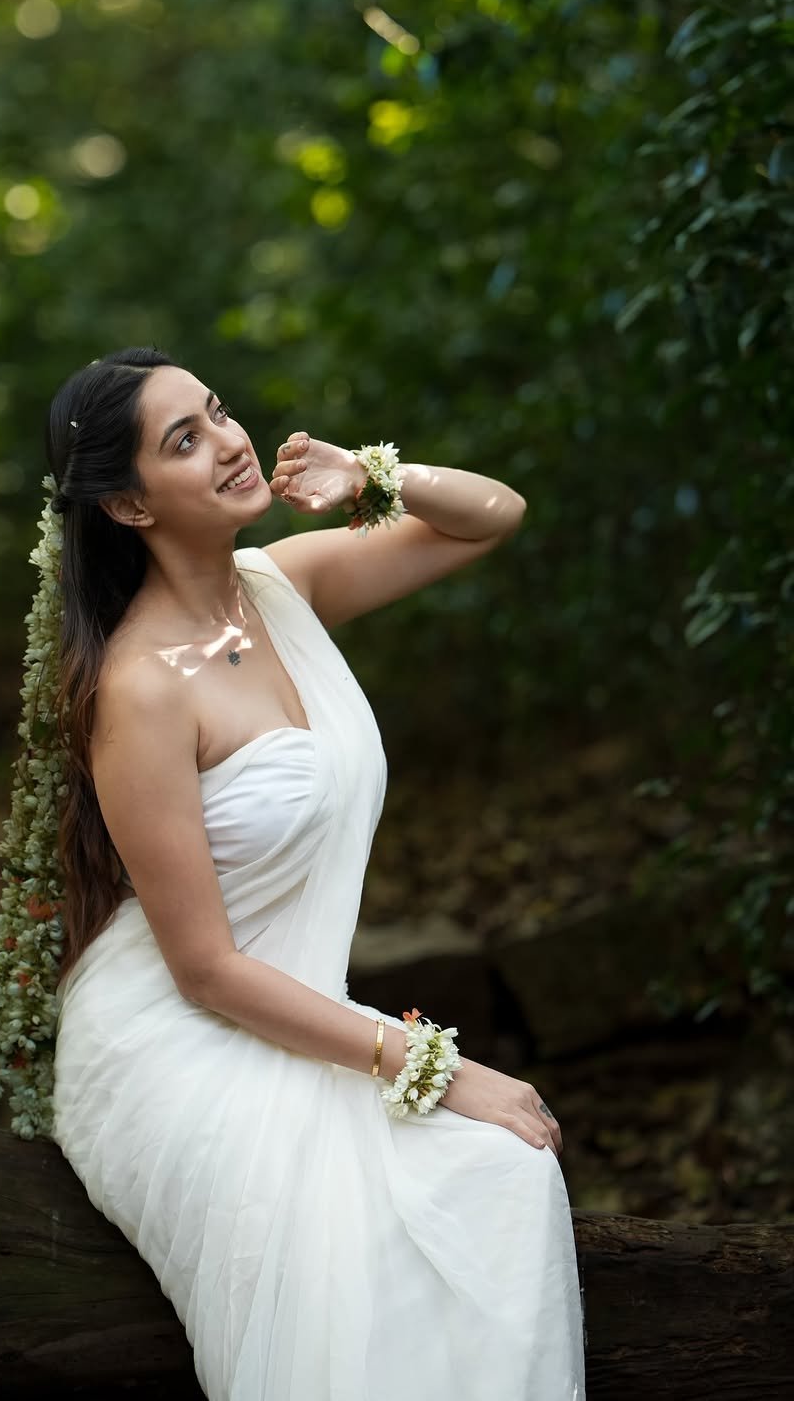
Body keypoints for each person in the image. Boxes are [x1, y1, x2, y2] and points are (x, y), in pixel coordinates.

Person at [45, 345, 587, 1400]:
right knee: (438, 1201)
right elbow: (203, 968)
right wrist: (435, 1062)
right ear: (126, 504)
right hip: (175, 1041)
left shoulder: (281, 586)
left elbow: (495, 510)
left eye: (218, 411)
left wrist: (372, 476)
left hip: (288, 1009)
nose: (230, 440)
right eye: (183, 440)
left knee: (504, 1178)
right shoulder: (140, 689)